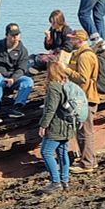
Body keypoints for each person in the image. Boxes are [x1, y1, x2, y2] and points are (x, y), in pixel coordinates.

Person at [0, 23, 34, 125]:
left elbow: (22, 68)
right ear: (7, 35)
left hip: (13, 78)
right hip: (0, 76)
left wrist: (13, 79)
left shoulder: (22, 50)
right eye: (12, 35)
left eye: (17, 34)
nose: (15, 38)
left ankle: (17, 107)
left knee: (28, 81)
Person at [38, 62, 76, 194]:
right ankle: (64, 180)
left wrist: (43, 125)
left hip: (57, 126)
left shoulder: (53, 87)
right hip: (68, 124)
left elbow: (51, 109)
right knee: (62, 152)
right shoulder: (67, 85)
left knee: (46, 152)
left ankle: (55, 182)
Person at [67, 30, 101, 173]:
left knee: (85, 131)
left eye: (73, 39)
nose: (71, 41)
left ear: (79, 40)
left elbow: (83, 79)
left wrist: (66, 70)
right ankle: (87, 159)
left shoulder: (85, 56)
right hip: (83, 98)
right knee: (82, 130)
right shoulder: (80, 54)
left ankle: (87, 163)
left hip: (86, 98)